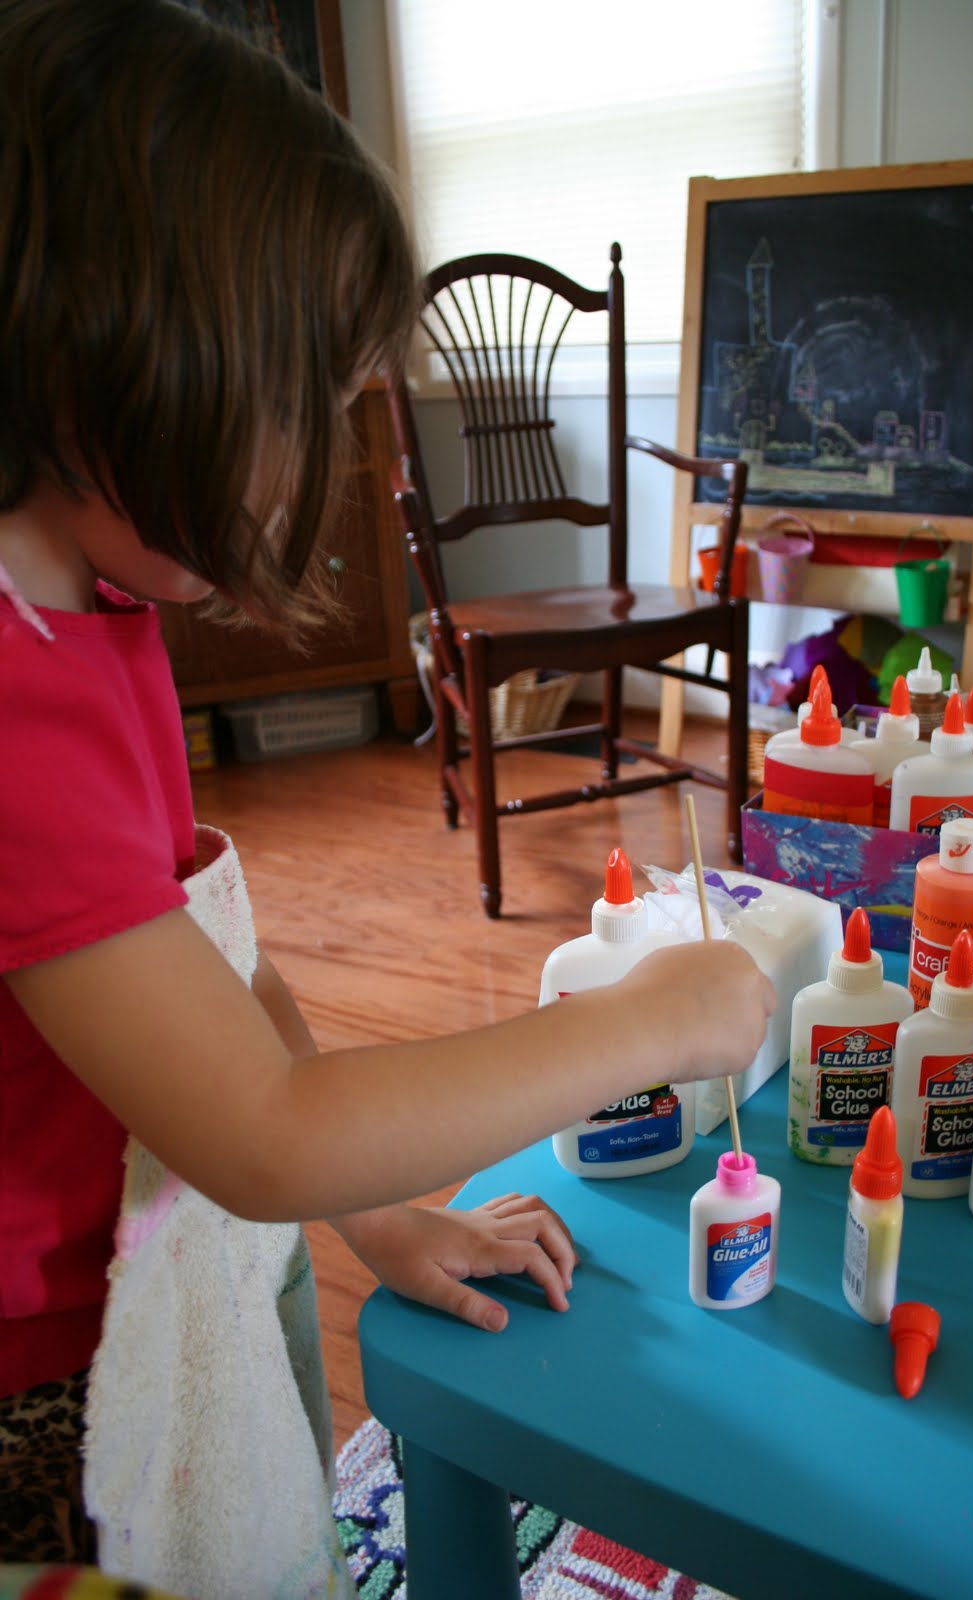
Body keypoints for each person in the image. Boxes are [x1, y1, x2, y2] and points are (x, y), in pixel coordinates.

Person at [0, 0, 776, 1584]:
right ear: (124, 345)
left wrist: (377, 1216)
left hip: (192, 1257)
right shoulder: (14, 698)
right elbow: (265, 1127)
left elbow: (223, 982)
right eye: (294, 408)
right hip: (61, 1391)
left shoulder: (103, 601)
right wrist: (644, 1025)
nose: (307, 472)